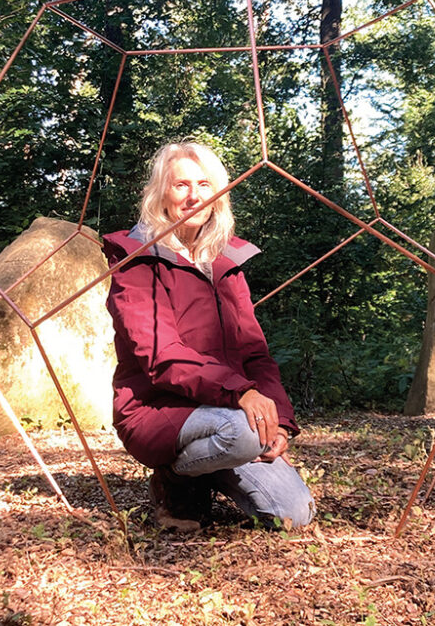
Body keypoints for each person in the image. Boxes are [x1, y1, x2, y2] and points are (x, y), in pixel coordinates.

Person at [103, 141, 315, 531]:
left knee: (295, 512)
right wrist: (241, 394)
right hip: (159, 410)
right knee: (243, 433)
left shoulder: (225, 263)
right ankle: (177, 478)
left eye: (204, 184)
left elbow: (255, 353)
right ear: (161, 193)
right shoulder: (137, 259)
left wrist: (280, 421)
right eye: (181, 185)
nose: (194, 196)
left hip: (227, 411)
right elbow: (161, 354)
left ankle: (210, 466)